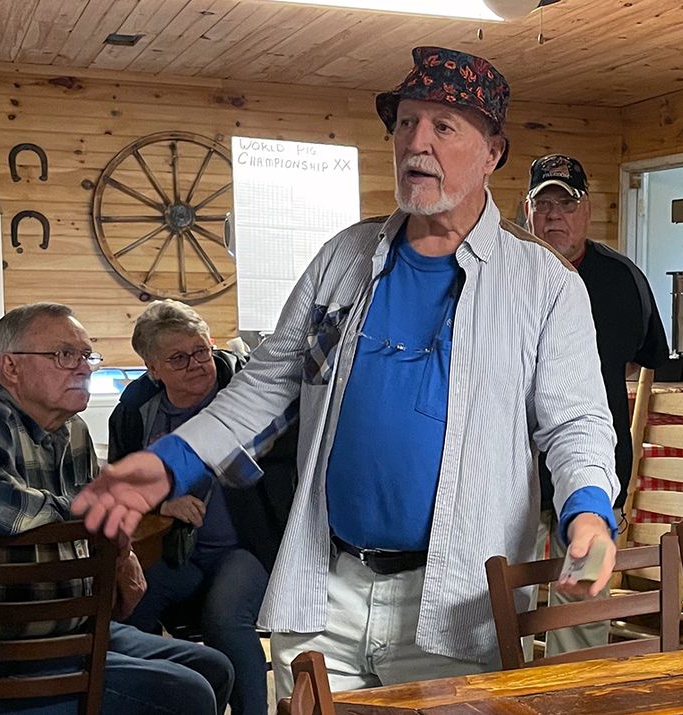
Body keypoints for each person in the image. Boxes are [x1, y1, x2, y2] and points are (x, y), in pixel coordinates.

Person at [71, 46, 620, 697]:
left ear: (493, 151)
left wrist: (588, 510)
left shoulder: (542, 286)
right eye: (406, 122)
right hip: (325, 593)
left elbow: (576, 423)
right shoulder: (344, 260)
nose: (417, 141)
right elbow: (268, 384)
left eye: (444, 126)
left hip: (455, 600)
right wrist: (171, 461)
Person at [0, 302, 234, 715]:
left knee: (213, 666)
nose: (84, 368)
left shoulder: (71, 431)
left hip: (68, 631)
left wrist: (122, 553)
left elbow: (98, 512)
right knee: (187, 692)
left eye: (86, 355)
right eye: (64, 355)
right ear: (11, 367)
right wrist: (88, 506)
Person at [110, 300, 296, 715]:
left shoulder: (249, 392)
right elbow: (126, 480)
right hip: (179, 550)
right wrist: (163, 501)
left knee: (224, 616)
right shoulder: (136, 410)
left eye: (201, 350)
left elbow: (287, 466)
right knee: (125, 605)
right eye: (178, 358)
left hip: (250, 546)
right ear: (152, 368)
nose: (196, 364)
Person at [525, 153, 670, 655]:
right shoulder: (499, 274)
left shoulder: (623, 279)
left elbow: (646, 360)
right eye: (543, 204)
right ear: (527, 212)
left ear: (587, 211)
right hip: (508, 481)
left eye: (566, 203)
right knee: (503, 607)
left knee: (582, 607)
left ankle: (575, 697)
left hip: (592, 476)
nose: (554, 216)